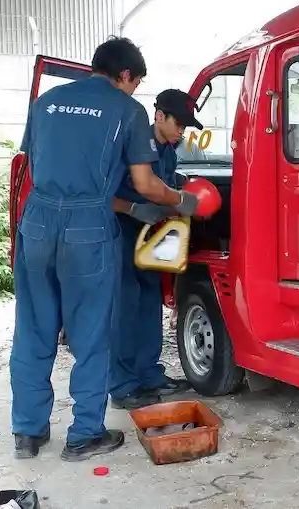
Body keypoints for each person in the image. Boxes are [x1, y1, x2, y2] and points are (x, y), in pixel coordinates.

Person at [9, 37, 200, 462]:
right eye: (136, 83)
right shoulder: (126, 110)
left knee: (33, 328)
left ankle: (28, 432)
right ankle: (83, 435)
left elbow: (34, 165)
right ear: (126, 75)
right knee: (92, 331)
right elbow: (148, 184)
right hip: (86, 224)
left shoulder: (47, 102)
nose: (135, 91)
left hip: (37, 221)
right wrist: (182, 200)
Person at [108, 89, 201, 410]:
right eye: (179, 124)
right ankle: (122, 386)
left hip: (150, 235)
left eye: (186, 127)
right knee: (124, 306)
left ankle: (149, 375)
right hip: (118, 230)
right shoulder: (129, 144)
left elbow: (163, 187)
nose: (182, 132)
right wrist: (132, 208)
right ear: (159, 116)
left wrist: (179, 191)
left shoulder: (169, 151)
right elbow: (100, 195)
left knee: (149, 300)